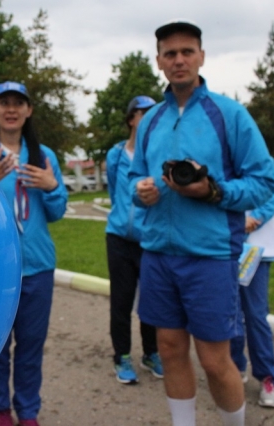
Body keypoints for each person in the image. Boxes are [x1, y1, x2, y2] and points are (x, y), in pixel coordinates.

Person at [128, 21, 274, 426]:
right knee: (170, 348)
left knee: (215, 359)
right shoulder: (150, 121)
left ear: (201, 56)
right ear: (159, 61)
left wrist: (213, 192)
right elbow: (133, 177)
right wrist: (140, 190)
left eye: (187, 52)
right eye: (170, 53)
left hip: (211, 255)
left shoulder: (229, 115)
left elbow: (266, 182)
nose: (179, 60)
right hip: (158, 254)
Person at [0, 81, 68, 426]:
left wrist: (52, 187)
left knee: (30, 347)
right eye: (4, 102)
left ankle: (28, 411)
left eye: (18, 103)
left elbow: (57, 212)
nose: (11, 109)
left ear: (29, 111)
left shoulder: (44, 157)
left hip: (37, 267)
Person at [105, 95, 162, 384]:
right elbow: (117, 193)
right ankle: (122, 356)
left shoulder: (159, 156)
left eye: (154, 113)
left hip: (148, 240)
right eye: (143, 113)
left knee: (150, 301)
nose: (149, 118)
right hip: (117, 237)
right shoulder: (115, 155)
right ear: (131, 119)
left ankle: (152, 353)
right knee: (121, 300)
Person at [230, 182, 274, 408]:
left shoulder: (258, 156)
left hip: (256, 250)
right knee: (228, 312)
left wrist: (256, 218)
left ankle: (267, 378)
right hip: (221, 246)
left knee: (255, 315)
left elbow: (272, 188)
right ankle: (234, 366)